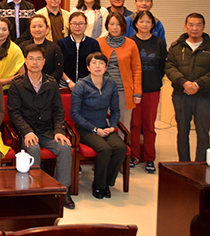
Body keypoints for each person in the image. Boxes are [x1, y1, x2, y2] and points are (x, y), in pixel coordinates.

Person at [8, 44, 75, 210]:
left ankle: (63, 191)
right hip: (26, 130)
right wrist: (26, 131)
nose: (34, 62)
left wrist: (59, 131)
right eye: (31, 59)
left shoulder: (51, 83)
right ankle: (35, 191)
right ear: (25, 61)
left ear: (44, 62)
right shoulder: (17, 84)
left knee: (65, 147)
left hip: (46, 130)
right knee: (34, 148)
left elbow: (59, 110)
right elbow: (14, 112)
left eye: (38, 59)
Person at [71, 52, 127, 199]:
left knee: (121, 148)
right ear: (88, 67)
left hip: (104, 126)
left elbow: (115, 110)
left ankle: (106, 183)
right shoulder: (81, 85)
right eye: (94, 63)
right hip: (85, 128)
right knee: (104, 149)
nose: (98, 66)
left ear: (106, 67)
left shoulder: (111, 84)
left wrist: (112, 126)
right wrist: (95, 130)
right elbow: (75, 113)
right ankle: (98, 184)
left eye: (101, 63)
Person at [166, 13, 210, 163]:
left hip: (204, 97)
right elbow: (169, 67)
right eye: (191, 24)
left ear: (203, 27)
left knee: (203, 133)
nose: (194, 28)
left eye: (198, 25)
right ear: (185, 26)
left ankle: (200, 165)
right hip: (181, 95)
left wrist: (198, 84)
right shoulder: (177, 47)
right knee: (182, 132)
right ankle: (184, 164)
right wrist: (183, 82)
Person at [129, 11, 167, 173]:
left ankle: (150, 158)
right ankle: (134, 155)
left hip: (152, 89)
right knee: (134, 124)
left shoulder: (159, 42)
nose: (144, 24)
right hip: (134, 90)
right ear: (136, 24)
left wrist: (155, 80)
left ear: (152, 25)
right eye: (141, 21)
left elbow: (162, 66)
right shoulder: (130, 42)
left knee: (149, 126)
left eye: (148, 22)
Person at [96, 12, 142, 131]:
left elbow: (137, 69)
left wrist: (137, 92)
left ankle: (123, 144)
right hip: (103, 91)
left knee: (123, 125)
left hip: (123, 91)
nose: (115, 27)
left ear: (123, 26)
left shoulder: (131, 44)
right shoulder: (99, 43)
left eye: (118, 24)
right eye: (112, 24)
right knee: (103, 123)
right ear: (107, 25)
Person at [57, 11, 102, 89]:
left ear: (86, 25)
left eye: (81, 23)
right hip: (65, 85)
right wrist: (69, 81)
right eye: (74, 23)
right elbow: (58, 66)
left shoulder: (93, 43)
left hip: (88, 85)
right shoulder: (62, 43)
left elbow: (97, 65)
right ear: (69, 25)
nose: (77, 26)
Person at [18, 15, 64, 83]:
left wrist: (43, 82)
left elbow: (58, 71)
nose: (37, 29)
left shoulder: (54, 47)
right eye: (34, 27)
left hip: (49, 85)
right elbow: (19, 69)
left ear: (47, 28)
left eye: (40, 26)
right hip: (27, 85)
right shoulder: (22, 46)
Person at [0, 17, 25, 90]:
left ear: (9, 31)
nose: (0, 32)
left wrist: (6, 81)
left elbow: (22, 74)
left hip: (7, 90)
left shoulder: (16, 50)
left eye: (4, 29)